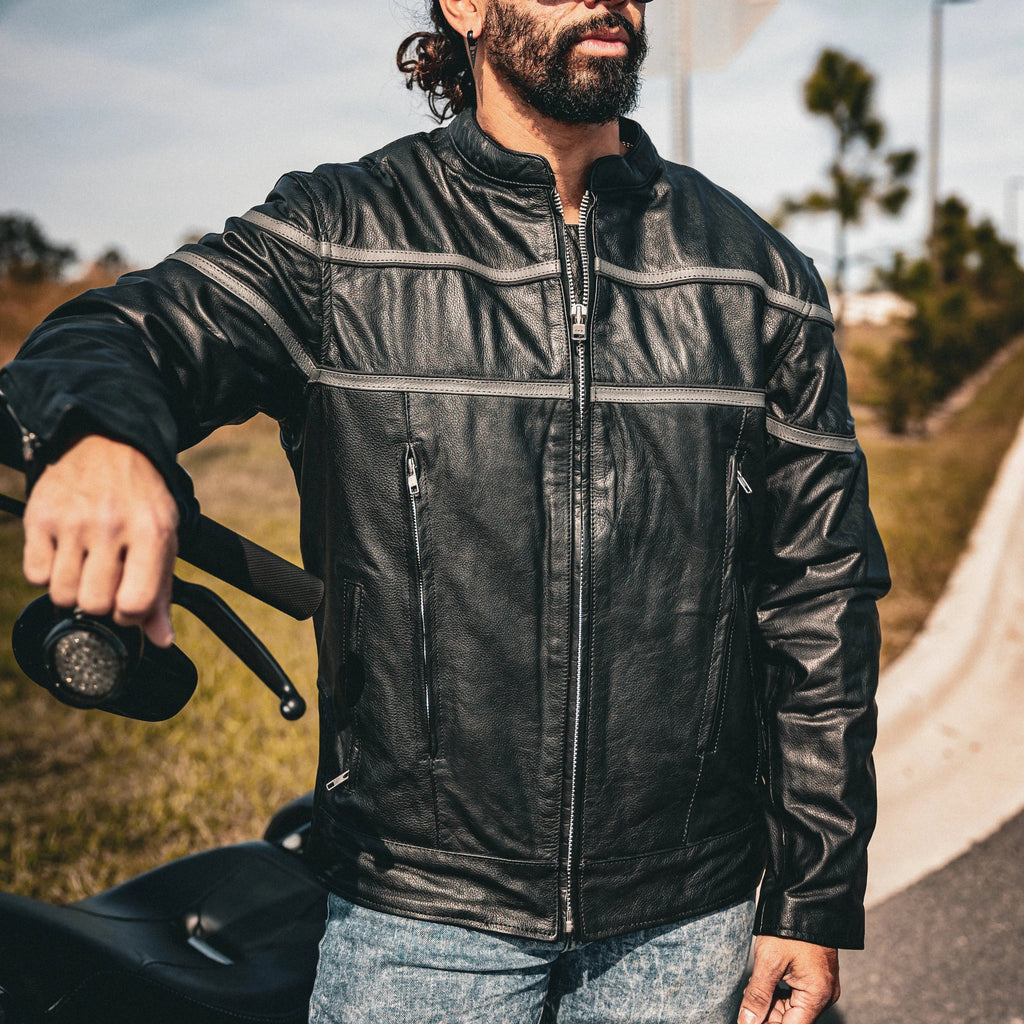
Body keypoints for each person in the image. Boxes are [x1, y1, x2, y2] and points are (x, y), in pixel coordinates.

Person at [0, 0, 890, 1021]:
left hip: (690, 924)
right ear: (464, 6)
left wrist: (812, 895)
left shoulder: (757, 276)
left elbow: (820, 597)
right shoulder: (340, 237)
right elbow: (120, 332)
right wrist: (99, 435)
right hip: (414, 924)